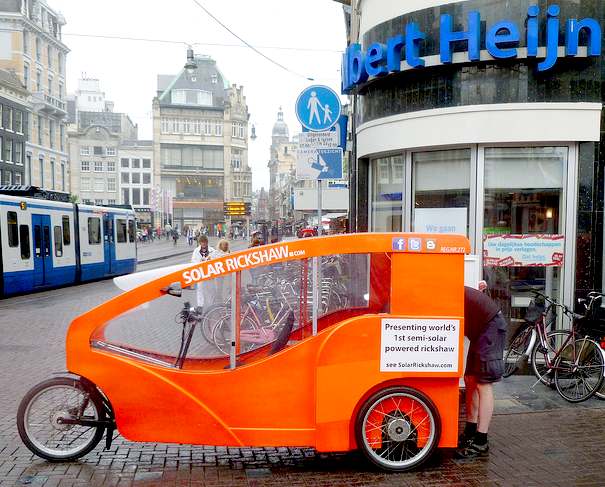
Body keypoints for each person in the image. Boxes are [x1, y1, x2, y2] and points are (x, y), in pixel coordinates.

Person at [456, 286, 507, 459]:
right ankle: (470, 430)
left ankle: (481, 440)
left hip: (490, 326)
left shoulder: (443, 289)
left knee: (483, 383)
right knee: (470, 379)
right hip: (481, 329)